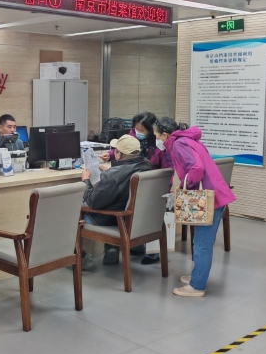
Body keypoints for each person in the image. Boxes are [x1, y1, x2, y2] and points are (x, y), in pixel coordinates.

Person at [160, 124, 235, 297]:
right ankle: (197, 276)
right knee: (202, 241)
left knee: (202, 244)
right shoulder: (189, 139)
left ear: (164, 134)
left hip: (208, 198)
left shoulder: (178, 144)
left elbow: (196, 168)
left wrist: (185, 185)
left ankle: (197, 286)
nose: (158, 140)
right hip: (216, 194)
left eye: (157, 135)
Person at [80, 134, 152, 269]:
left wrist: (86, 180)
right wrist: (110, 173)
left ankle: (79, 258)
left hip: (109, 219)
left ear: (119, 154)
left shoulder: (113, 176)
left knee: (71, 211)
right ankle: (111, 247)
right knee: (111, 201)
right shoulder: (147, 165)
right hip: (132, 218)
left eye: (116, 150)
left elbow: (92, 202)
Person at [101, 112, 163, 264]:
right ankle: (135, 245)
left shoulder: (159, 143)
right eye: (136, 128)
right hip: (132, 180)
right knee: (128, 205)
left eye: (142, 130)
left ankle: (151, 251)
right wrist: (111, 154)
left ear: (151, 130)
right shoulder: (132, 135)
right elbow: (125, 149)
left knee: (143, 212)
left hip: (151, 183)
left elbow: (166, 167)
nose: (138, 132)